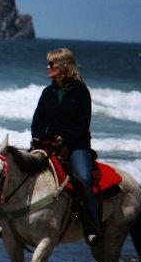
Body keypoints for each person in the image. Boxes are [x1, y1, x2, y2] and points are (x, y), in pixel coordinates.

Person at [31, 48, 101, 245]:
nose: (48, 67)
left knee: (84, 179)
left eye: (52, 64)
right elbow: (37, 121)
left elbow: (82, 125)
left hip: (76, 145)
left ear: (64, 67)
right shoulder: (48, 92)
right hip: (48, 144)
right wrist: (39, 138)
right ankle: (5, 221)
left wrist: (63, 140)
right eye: (49, 64)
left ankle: (92, 226)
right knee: (22, 169)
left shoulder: (81, 92)